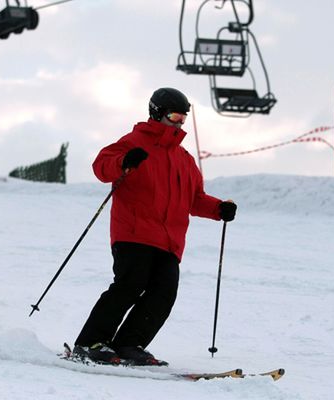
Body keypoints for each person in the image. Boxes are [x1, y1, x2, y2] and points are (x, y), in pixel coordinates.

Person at [72, 88, 237, 366]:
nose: (178, 123)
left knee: (164, 292)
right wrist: (124, 162)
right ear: (156, 113)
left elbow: (194, 199)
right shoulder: (134, 142)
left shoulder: (184, 160)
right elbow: (101, 167)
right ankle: (89, 343)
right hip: (133, 233)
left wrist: (219, 208)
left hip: (169, 240)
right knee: (130, 284)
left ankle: (129, 344)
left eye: (183, 118)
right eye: (174, 116)